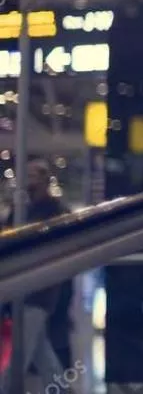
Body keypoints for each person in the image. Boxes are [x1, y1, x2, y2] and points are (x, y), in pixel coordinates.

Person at [1, 159, 69, 392]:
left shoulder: (55, 211)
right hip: (21, 289)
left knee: (19, 356)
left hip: (40, 290)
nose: (26, 181)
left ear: (43, 179)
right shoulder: (21, 208)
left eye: (31, 176)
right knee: (42, 353)